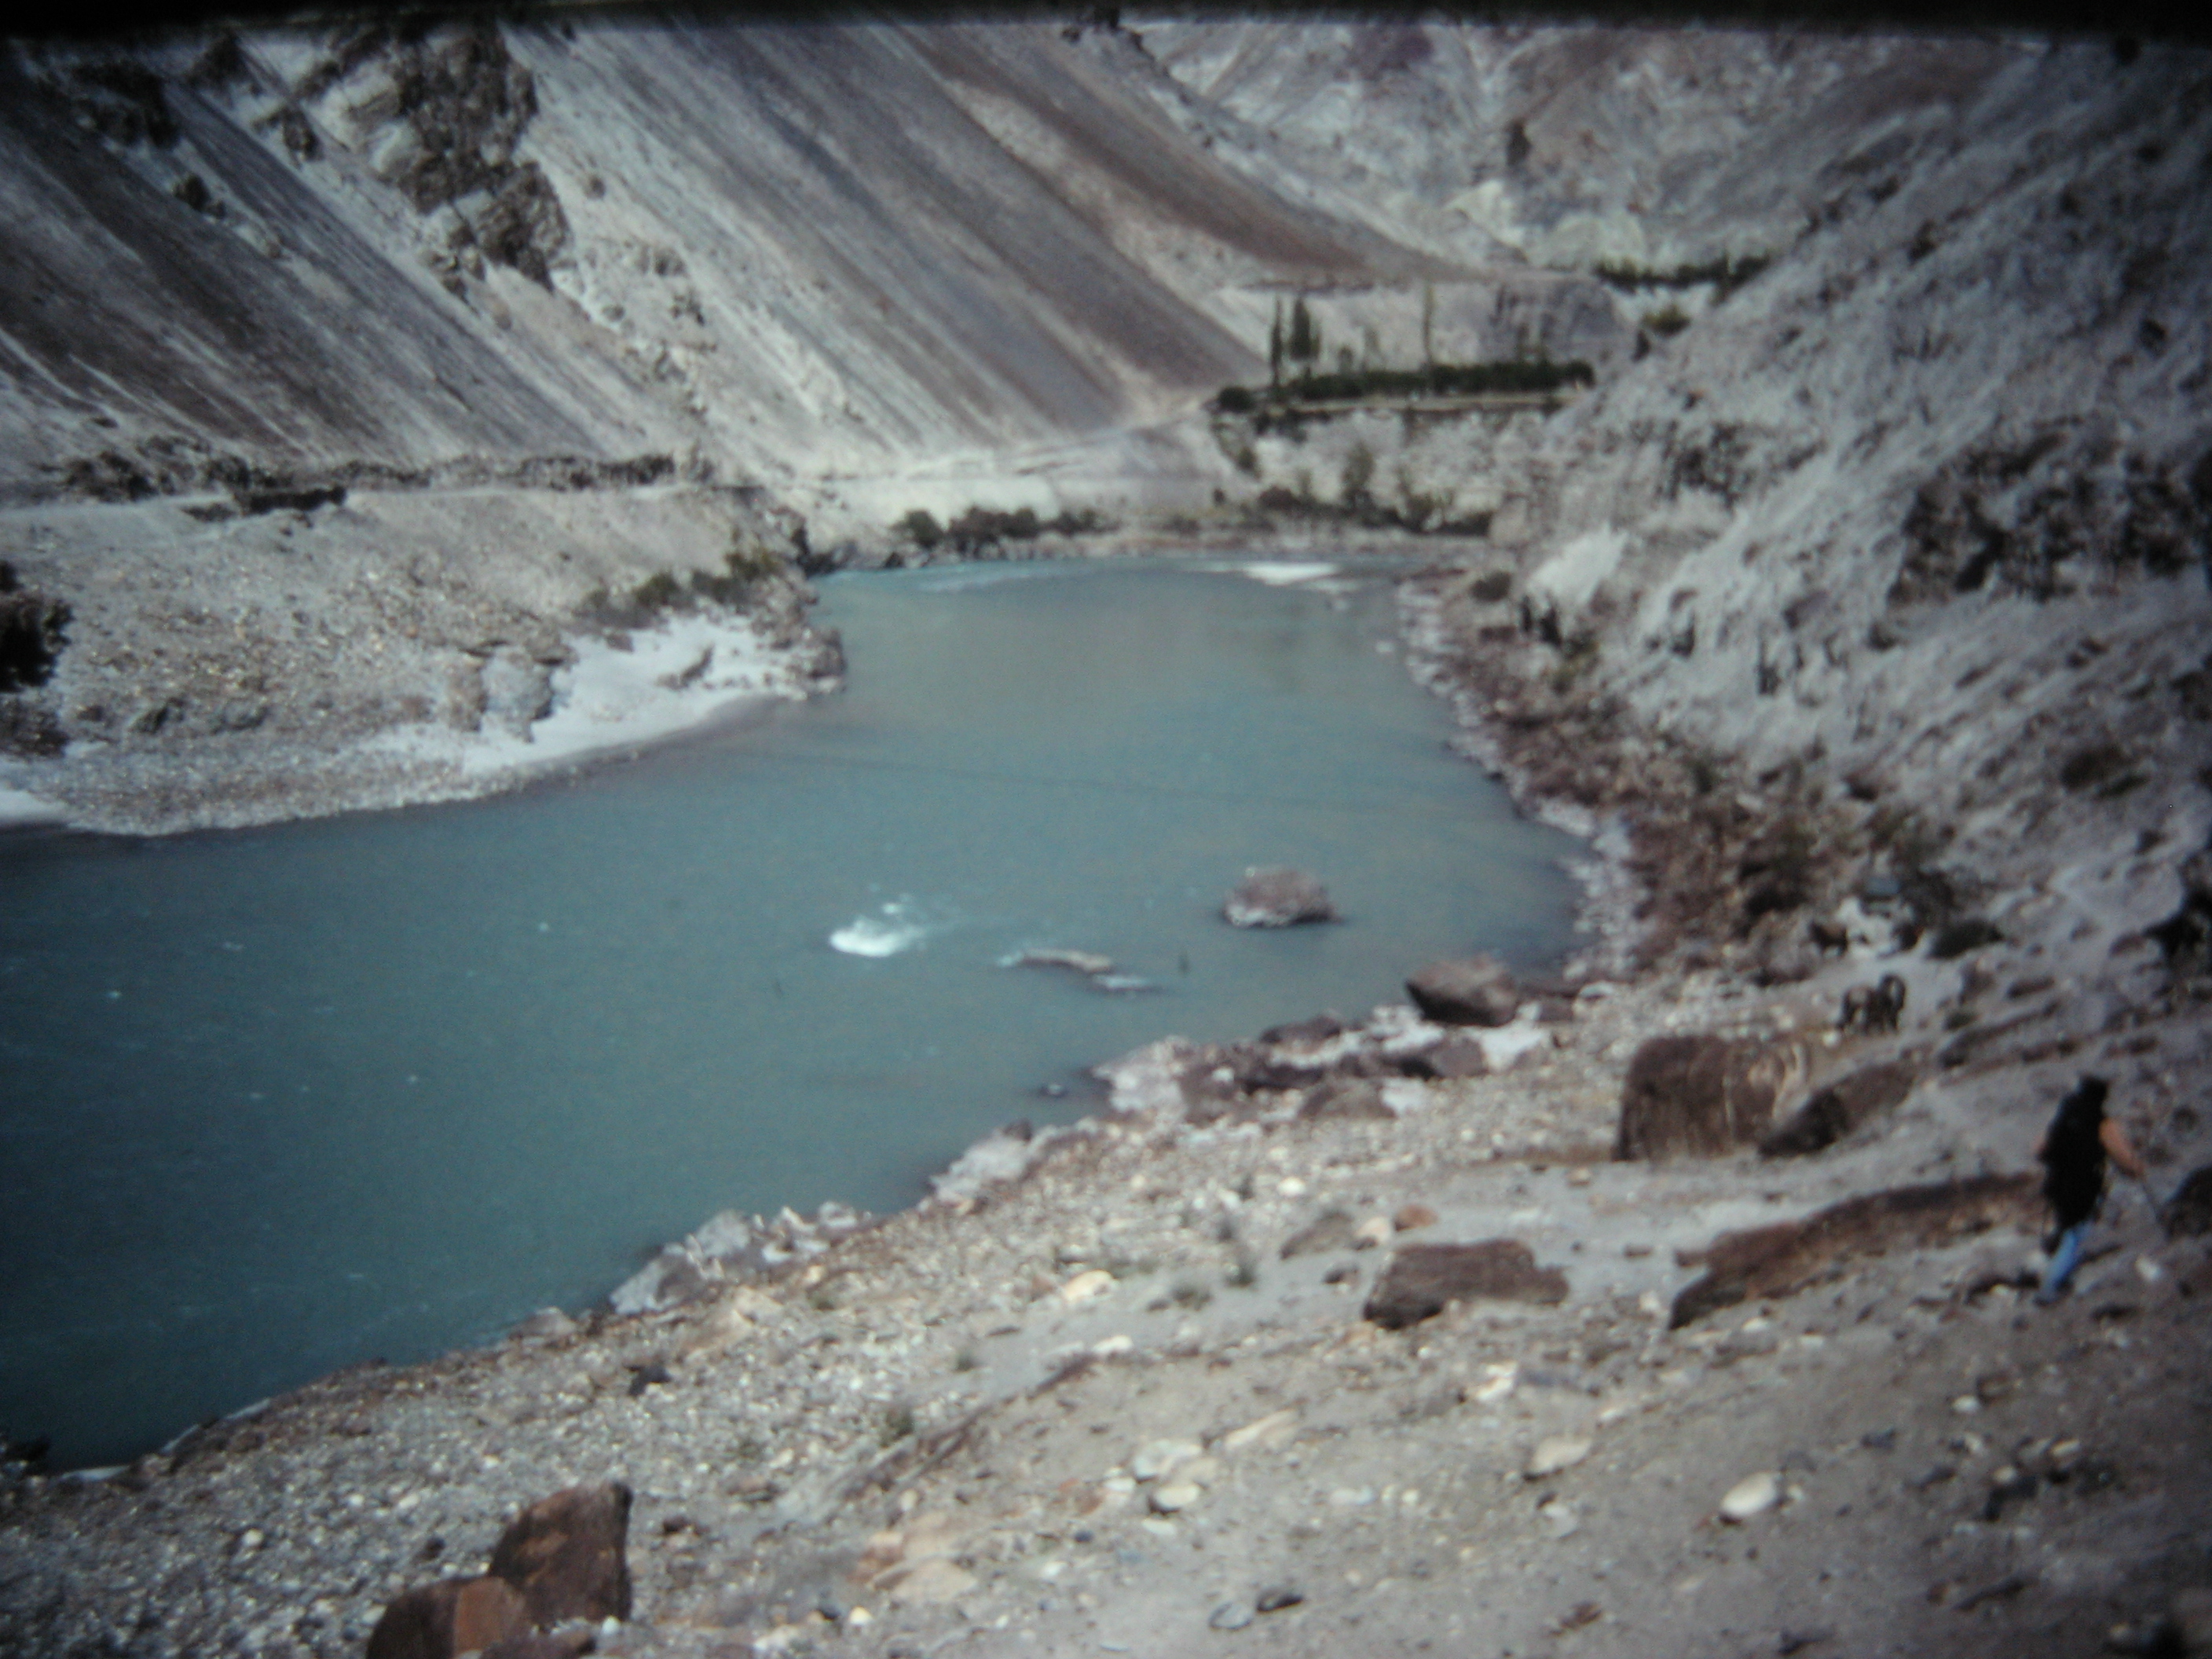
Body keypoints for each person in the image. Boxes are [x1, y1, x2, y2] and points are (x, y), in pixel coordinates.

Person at [2032, 1075, 2148, 1305]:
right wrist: (2137, 1169)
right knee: (2074, 1236)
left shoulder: (2064, 1112)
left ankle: (2042, 1271)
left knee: (2064, 1229)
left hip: (2056, 1183)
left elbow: (2040, 1149)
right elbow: (2124, 1158)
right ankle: (2050, 1287)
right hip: (2084, 1187)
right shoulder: (2101, 1121)